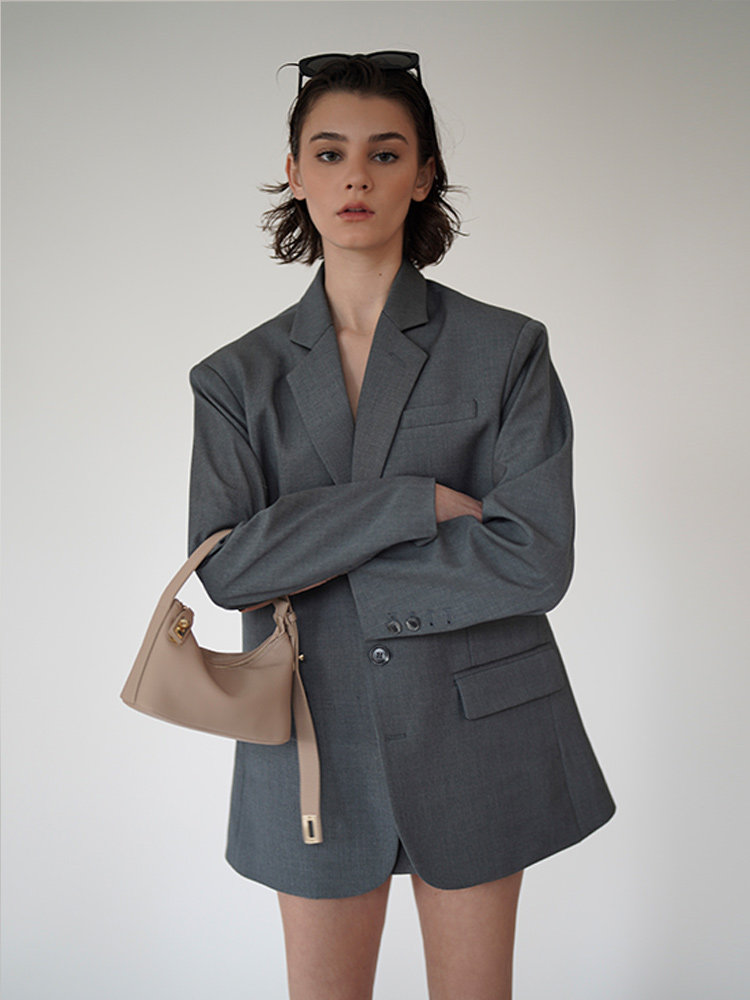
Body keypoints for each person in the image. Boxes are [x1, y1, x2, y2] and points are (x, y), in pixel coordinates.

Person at [188, 51, 615, 1000]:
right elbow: (226, 571)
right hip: (311, 739)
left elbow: (534, 558)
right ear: (294, 173)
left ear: (422, 174)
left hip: (475, 730)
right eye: (329, 153)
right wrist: (409, 503)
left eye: (385, 154)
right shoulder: (234, 379)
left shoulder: (506, 349)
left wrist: (307, 552)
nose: (356, 177)